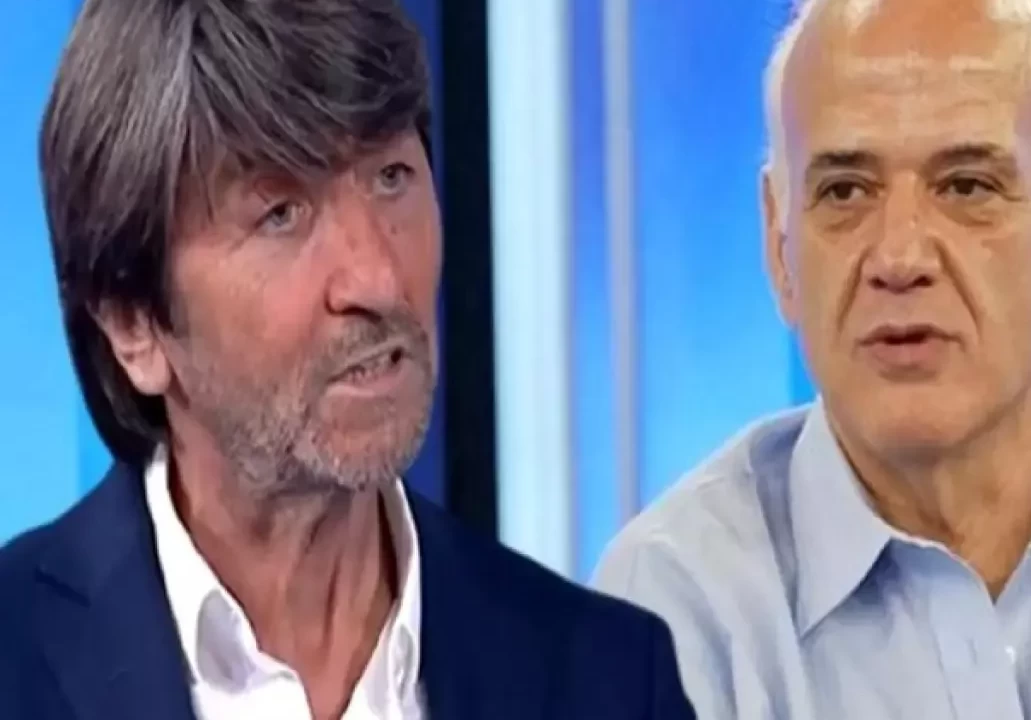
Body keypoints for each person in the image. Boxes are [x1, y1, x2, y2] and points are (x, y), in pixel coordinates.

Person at [0, 1, 694, 719]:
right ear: (133, 324)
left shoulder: (609, 681)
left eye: (391, 177)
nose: (378, 280)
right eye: (281, 215)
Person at [593, 0, 1031, 717]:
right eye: (844, 191)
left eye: (966, 186)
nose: (899, 258)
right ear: (780, 247)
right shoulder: (671, 613)